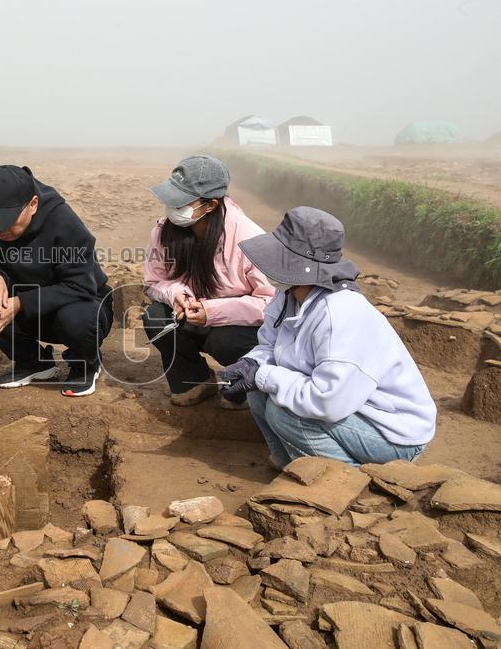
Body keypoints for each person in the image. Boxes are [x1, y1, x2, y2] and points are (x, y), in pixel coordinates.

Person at [219, 206, 436, 468]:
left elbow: (328, 402)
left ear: (301, 266)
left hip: (393, 433)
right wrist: (252, 363)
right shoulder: (289, 295)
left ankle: (348, 477)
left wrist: (264, 375)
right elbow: (270, 344)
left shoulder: (340, 314)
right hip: (352, 408)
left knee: (286, 415)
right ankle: (288, 463)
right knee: (257, 392)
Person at [142, 155, 275, 408]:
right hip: (193, 315)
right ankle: (195, 380)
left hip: (237, 326)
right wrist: (177, 295)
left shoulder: (251, 240)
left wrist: (212, 312)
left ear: (211, 205)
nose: (171, 207)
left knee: (225, 342)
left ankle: (246, 384)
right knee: (155, 317)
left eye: (181, 201)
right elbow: (154, 281)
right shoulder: (164, 230)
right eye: (171, 197)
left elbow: (270, 302)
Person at [0, 165, 113, 397]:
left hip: (82, 306)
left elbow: (80, 286)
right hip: (29, 309)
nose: (0, 229)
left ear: (33, 204)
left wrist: (19, 303)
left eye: (7, 220)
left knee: (77, 317)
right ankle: (33, 363)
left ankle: (85, 365)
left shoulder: (63, 222)